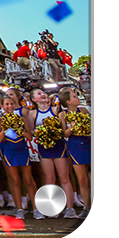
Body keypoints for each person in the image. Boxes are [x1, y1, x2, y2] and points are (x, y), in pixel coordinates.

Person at [26, 87, 77, 219]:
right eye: (39, 94)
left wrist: (53, 131)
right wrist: (42, 132)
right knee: (49, 179)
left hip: (58, 146)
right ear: (34, 99)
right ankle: (53, 208)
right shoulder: (32, 114)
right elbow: (31, 131)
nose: (43, 94)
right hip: (44, 148)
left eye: (43, 93)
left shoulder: (55, 110)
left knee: (64, 178)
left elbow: (63, 128)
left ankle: (70, 208)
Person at [0, 78, 34, 220]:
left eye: (11, 104)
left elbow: (29, 136)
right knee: (14, 180)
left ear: (15, 105)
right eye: (6, 104)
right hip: (8, 151)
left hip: (22, 149)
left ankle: (36, 208)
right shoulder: (0, 120)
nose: (9, 106)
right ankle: (19, 208)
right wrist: (7, 127)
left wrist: (19, 128)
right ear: (2, 106)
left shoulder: (22, 118)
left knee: (28, 179)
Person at [59, 87, 91, 218]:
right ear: (68, 102)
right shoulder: (63, 115)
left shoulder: (83, 110)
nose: (77, 98)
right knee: (82, 179)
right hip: (76, 145)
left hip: (88, 142)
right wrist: (72, 127)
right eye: (74, 97)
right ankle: (87, 207)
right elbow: (64, 134)